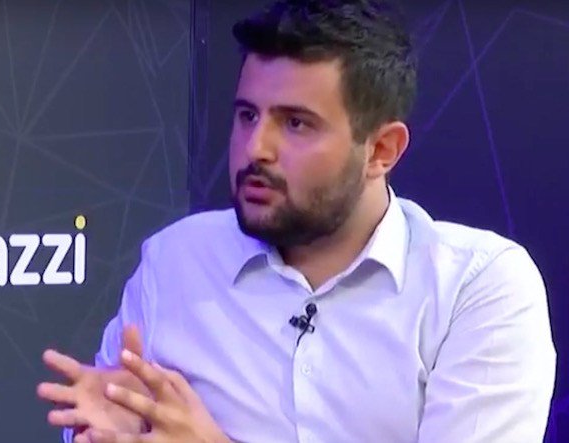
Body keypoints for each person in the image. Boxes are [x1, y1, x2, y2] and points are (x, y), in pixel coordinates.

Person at [37, 0, 556, 441]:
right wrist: (112, 428)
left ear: (382, 150)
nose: (255, 148)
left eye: (296, 124)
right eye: (247, 115)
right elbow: (118, 417)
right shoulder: (174, 262)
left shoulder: (476, 288)